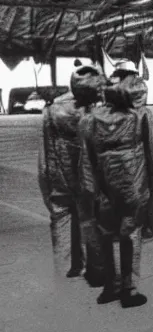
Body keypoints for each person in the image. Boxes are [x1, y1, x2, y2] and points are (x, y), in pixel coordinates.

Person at [78, 61, 153, 308]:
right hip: (134, 187)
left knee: (107, 235)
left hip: (103, 189)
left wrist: (90, 192)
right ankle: (129, 292)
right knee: (131, 234)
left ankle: (111, 287)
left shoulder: (90, 119)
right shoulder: (141, 115)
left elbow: (86, 162)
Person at [38, 64, 106, 286]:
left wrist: (46, 183)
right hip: (89, 180)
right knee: (91, 222)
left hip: (59, 178)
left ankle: (63, 273)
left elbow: (45, 152)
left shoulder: (53, 109)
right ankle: (95, 271)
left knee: (61, 223)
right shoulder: (100, 111)